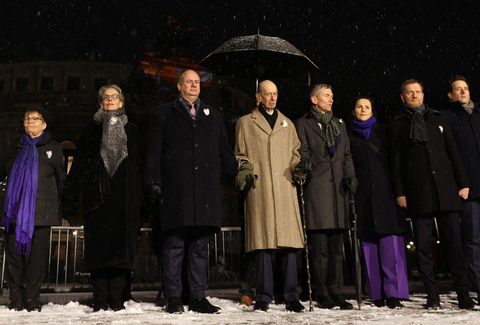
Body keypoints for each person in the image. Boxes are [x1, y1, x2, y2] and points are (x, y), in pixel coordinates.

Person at [144, 69, 238, 314]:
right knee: (173, 246)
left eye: (198, 82)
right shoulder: (163, 113)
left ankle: (197, 296)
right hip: (176, 191)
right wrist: (153, 181)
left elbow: (225, 153)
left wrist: (240, 170)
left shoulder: (214, 116)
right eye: (189, 81)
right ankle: (173, 297)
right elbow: (153, 152)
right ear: (179, 86)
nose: (195, 85)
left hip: (205, 193)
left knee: (199, 248)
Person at [388, 79, 475, 309]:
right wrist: (400, 193)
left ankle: (463, 294)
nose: (415, 95)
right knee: (424, 248)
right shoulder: (397, 124)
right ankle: (432, 295)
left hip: (446, 191)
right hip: (418, 193)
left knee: (455, 246)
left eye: (418, 92)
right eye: (410, 93)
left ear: (423, 95)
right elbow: (395, 163)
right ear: (403, 97)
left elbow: (453, 153)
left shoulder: (438, 118)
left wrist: (463, 183)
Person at [63, 84, 142, 311]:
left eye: (114, 96)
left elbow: (138, 162)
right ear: (100, 103)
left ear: (121, 102)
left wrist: (146, 194)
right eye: (106, 97)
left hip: (124, 198)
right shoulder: (90, 129)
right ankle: (99, 299)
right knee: (97, 252)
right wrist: (70, 193)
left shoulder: (132, 130)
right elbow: (79, 163)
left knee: (120, 252)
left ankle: (116, 300)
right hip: (97, 197)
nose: (110, 99)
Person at [234, 79, 306, 313]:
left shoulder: (288, 123)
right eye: (268, 94)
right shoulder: (245, 123)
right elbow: (239, 153)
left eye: (275, 93)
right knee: (262, 246)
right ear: (259, 96)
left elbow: (295, 153)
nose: (272, 98)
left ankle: (291, 295)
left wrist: (299, 167)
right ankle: (263, 295)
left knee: (289, 246)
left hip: (285, 188)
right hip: (260, 188)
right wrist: (244, 167)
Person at [294, 84, 356, 310]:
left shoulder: (339, 124)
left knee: (337, 249)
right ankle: (321, 293)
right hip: (317, 190)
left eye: (332, 95)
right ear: (314, 99)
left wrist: (350, 176)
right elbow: (301, 150)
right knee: (319, 248)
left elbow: (346, 155)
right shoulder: (303, 123)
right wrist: (305, 161)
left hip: (338, 191)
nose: (331, 99)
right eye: (327, 95)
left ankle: (337, 292)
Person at [0, 106, 66, 312]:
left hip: (42, 212)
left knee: (37, 259)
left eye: (35, 118)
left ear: (44, 124)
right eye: (27, 119)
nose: (30, 121)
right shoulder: (14, 146)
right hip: (15, 213)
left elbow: (61, 181)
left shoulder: (54, 148)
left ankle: (31, 298)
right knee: (13, 258)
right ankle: (16, 297)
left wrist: (61, 208)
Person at [348, 96, 409, 308]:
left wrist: (400, 191)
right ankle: (376, 293)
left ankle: (394, 293)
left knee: (390, 243)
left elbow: (396, 161)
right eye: (359, 107)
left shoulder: (384, 131)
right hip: (362, 196)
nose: (363, 110)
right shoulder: (348, 136)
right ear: (353, 111)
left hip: (387, 194)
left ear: (372, 111)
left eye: (367, 107)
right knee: (369, 245)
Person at [442, 75, 480, 301]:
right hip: (470, 189)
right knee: (473, 240)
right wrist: (460, 184)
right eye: (458, 89)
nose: (463, 92)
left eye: (465, 88)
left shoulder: (479, 114)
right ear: (451, 95)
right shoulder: (447, 117)